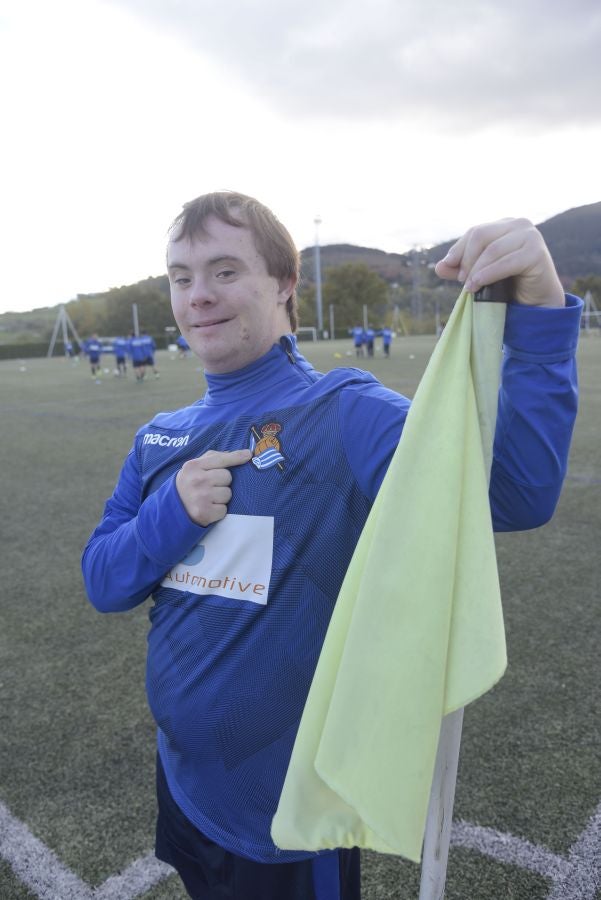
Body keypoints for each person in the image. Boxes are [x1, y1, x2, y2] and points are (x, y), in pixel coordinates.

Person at [82, 192, 582, 900]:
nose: (198, 296)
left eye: (225, 271)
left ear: (286, 283)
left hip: (287, 816)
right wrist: (171, 514)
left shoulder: (346, 413)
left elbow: (515, 493)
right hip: (185, 784)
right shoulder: (160, 437)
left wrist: (539, 312)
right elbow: (103, 582)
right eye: (181, 276)